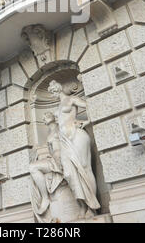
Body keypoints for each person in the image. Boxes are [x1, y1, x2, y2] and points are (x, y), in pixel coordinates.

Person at [48, 80, 101, 219]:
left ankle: (92, 207)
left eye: (53, 90)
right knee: (70, 174)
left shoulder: (71, 99)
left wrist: (87, 121)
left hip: (77, 137)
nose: (52, 94)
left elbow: (90, 105)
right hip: (64, 141)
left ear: (59, 89)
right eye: (50, 92)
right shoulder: (58, 107)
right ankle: (82, 205)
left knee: (84, 168)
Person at [29, 112, 63, 222]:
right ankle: (45, 197)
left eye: (48, 115)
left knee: (33, 167)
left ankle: (45, 198)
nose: (45, 117)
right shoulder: (49, 134)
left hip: (63, 159)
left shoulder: (61, 127)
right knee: (32, 167)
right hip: (54, 160)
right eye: (44, 116)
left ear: (55, 117)